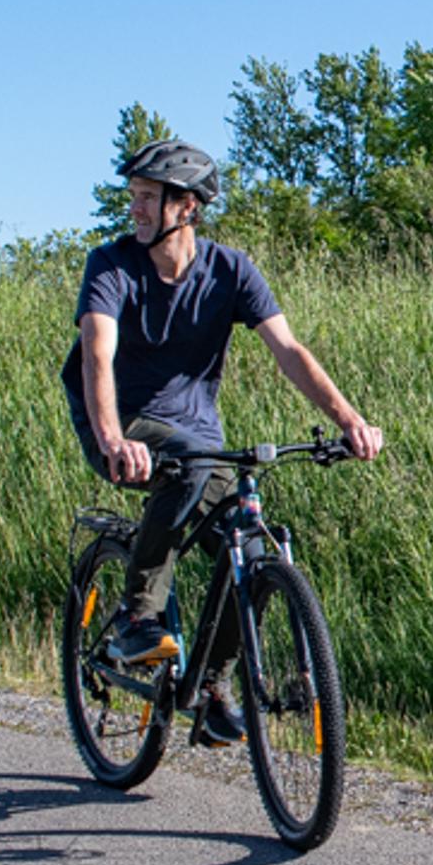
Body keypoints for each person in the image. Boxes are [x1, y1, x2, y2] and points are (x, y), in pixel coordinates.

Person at [66, 138, 383, 743]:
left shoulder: (231, 270)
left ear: (186, 207)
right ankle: (137, 616)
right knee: (185, 469)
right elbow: (97, 356)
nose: (133, 208)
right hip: (121, 418)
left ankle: (211, 684)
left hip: (196, 432)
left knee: (252, 545)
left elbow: (289, 351)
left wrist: (349, 421)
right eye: (133, 196)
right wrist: (110, 435)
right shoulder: (109, 266)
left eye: (147, 198)